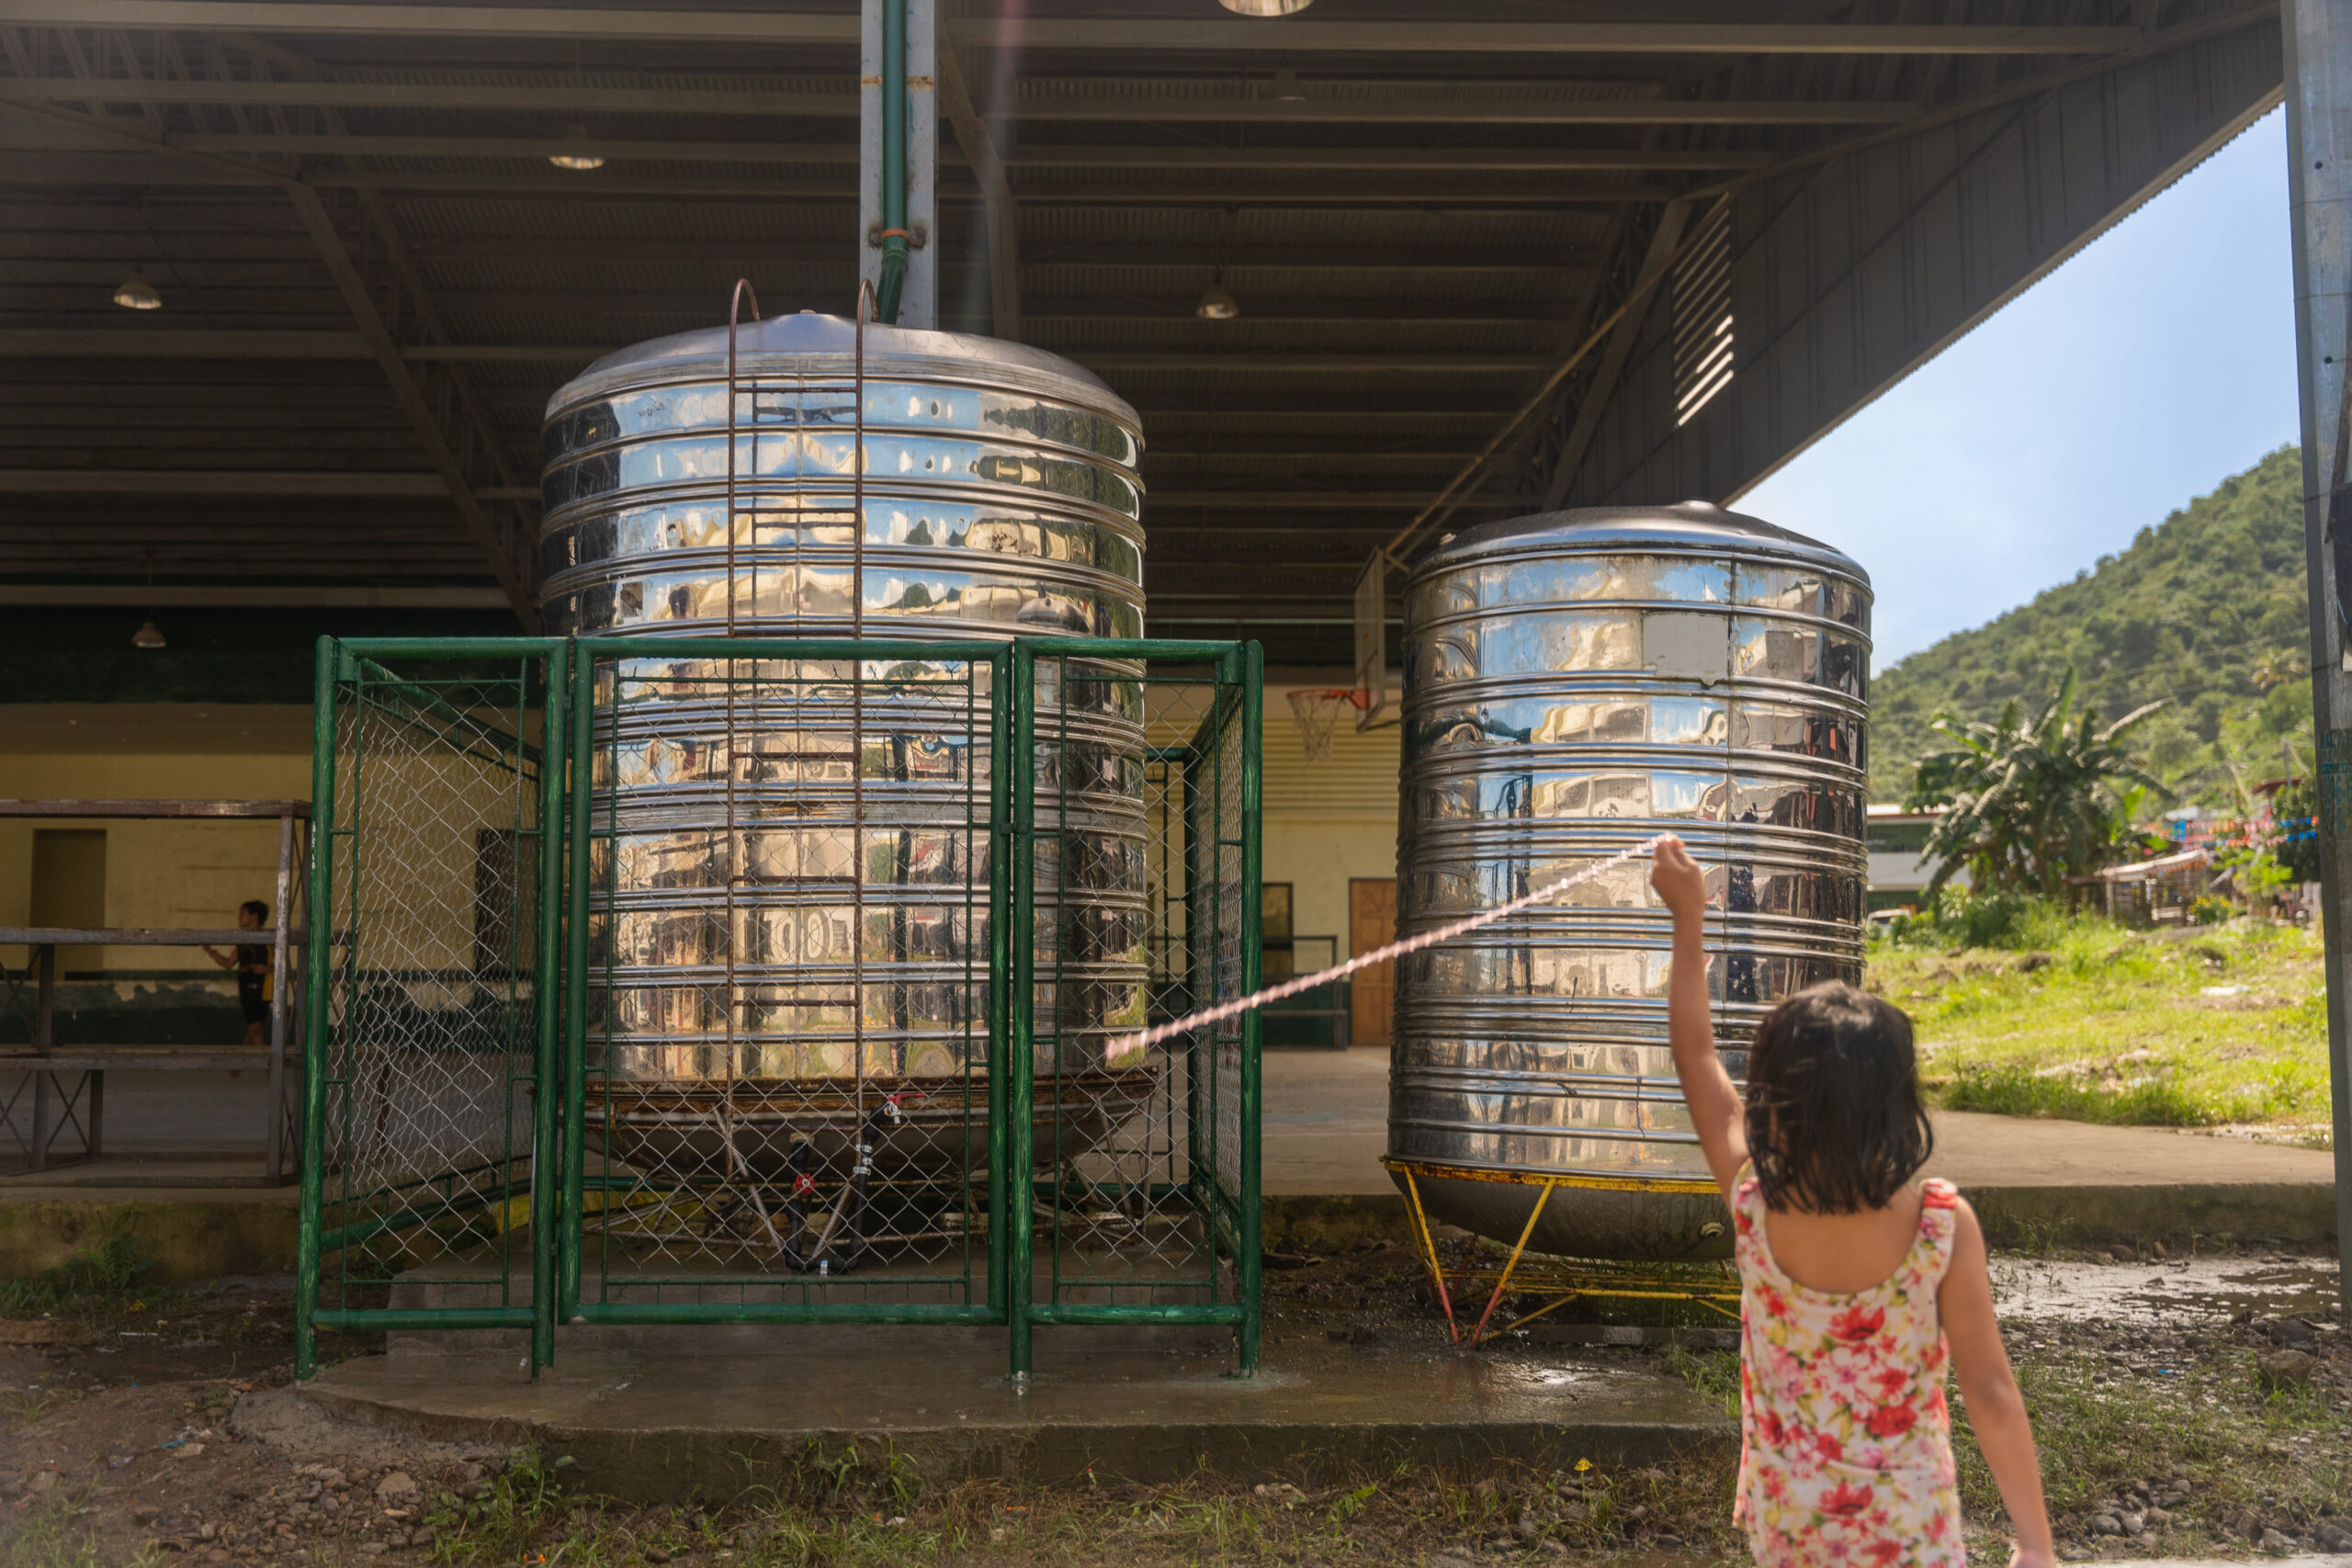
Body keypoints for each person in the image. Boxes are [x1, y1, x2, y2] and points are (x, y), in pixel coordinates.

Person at [1647, 836, 2053, 1568]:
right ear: (1898, 1106)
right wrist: (2034, 1542)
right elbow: (1989, 1389)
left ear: (1775, 1101)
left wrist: (1688, 917)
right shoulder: (1939, 1224)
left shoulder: (1753, 1200)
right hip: (1911, 1524)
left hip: (1791, 1524)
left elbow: (1696, 1053)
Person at [203, 899, 273, 1047]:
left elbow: (283, 962)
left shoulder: (269, 938)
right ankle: (269, 1068)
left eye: (243, 913)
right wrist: (210, 951)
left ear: (254, 916)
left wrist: (268, 969)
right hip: (247, 991)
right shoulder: (242, 941)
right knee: (257, 1031)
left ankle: (236, 1069)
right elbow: (228, 963)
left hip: (264, 990)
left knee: (254, 1030)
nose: (239, 917)